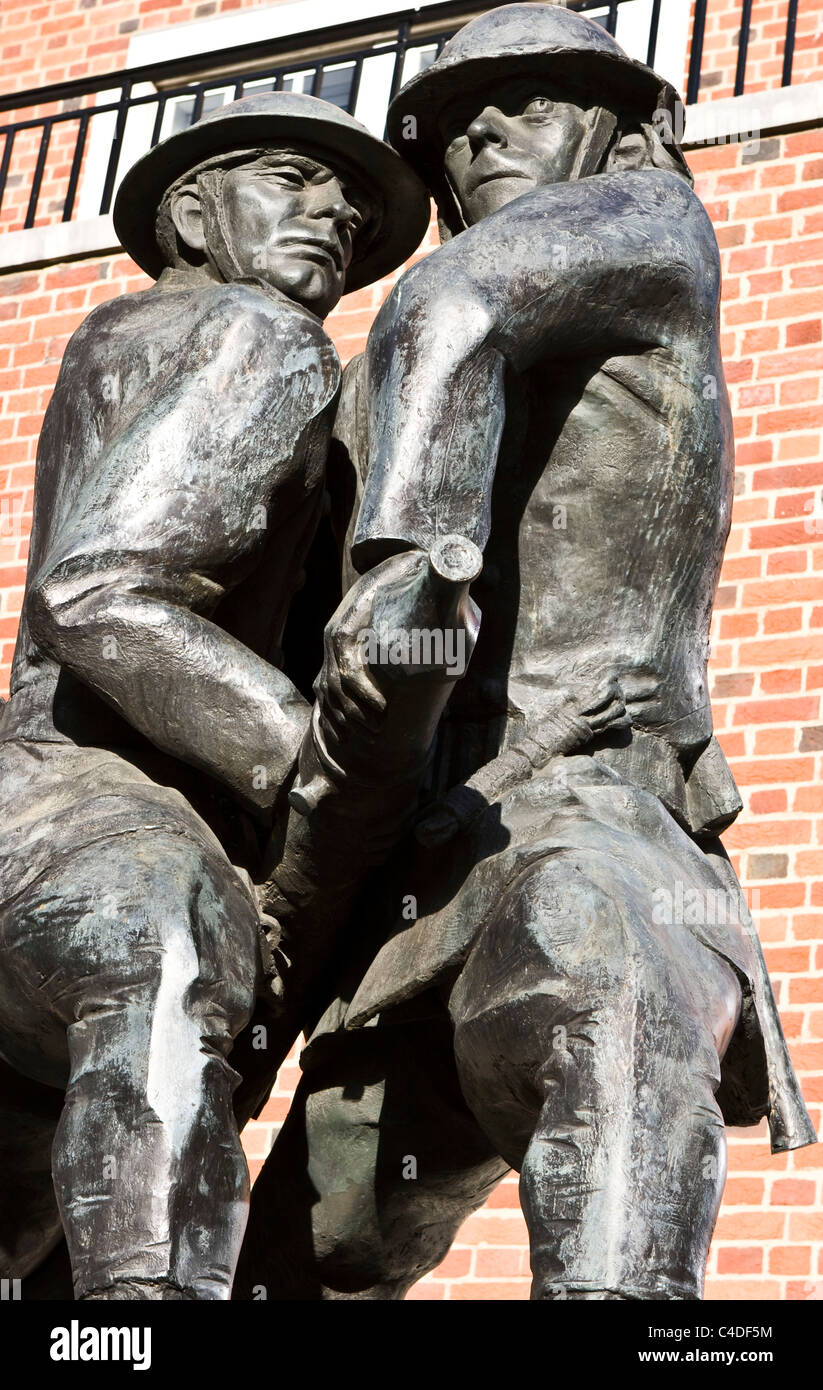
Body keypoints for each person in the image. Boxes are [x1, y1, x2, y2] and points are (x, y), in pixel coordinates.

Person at [236, 8, 815, 1302]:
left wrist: (401, 589)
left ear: (619, 124)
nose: (477, 129)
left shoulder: (643, 229)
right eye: (447, 121)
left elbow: (451, 300)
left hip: (601, 814)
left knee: (606, 1073)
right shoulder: (369, 376)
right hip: (427, 866)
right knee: (305, 1253)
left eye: (527, 98)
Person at [0, 90, 429, 1301]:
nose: (333, 212)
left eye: (347, 202)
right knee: (166, 956)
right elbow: (98, 592)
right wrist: (304, 756)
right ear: (192, 211)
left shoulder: (121, 330)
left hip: (37, 792)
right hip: (107, 803)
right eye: (291, 179)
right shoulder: (261, 336)